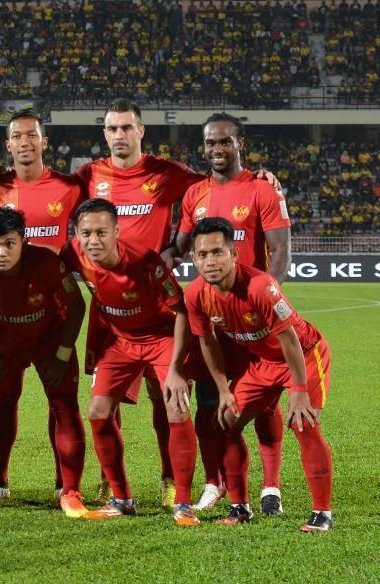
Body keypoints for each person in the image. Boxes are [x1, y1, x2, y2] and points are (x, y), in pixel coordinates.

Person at [75, 99, 284, 511]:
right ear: (104, 133)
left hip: (188, 311)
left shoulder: (172, 175)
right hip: (129, 309)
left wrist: (261, 176)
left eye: (126, 127)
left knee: (190, 399)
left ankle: (251, 485)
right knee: (121, 400)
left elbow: (272, 241)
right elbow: (179, 245)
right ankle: (127, 481)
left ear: (140, 131)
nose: (119, 135)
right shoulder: (91, 176)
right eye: (112, 128)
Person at [166, 112, 292, 514]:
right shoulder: (194, 195)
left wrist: (265, 302)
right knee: (209, 402)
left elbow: (281, 251)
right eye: (210, 142)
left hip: (253, 321)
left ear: (241, 145)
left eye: (225, 141)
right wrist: (148, 264)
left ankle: (271, 486)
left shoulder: (262, 190)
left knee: (264, 404)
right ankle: (214, 481)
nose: (217, 149)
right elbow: (180, 247)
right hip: (213, 319)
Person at [0, 207, 95, 519]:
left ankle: (70, 492)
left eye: (9, 244)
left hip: (49, 337)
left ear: (23, 243)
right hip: (3, 336)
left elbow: (77, 305)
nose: (1, 252)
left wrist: (62, 354)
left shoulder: (47, 261)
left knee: (65, 406)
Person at [185, 217, 332, 532]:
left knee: (303, 423)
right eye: (202, 254)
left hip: (304, 355)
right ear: (193, 258)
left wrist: (299, 390)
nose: (210, 261)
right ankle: (240, 507)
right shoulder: (196, 294)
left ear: (233, 253)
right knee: (226, 421)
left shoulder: (261, 286)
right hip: (264, 362)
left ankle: (322, 514)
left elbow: (290, 339)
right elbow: (207, 342)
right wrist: (223, 390)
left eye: (217, 252)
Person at [61, 199, 200, 527]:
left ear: (117, 231)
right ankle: (122, 499)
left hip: (161, 338)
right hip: (120, 341)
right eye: (85, 233)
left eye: (101, 232)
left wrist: (177, 368)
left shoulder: (145, 261)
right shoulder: (73, 252)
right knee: (97, 411)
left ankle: (183, 503)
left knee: (176, 409)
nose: (93, 240)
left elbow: (182, 310)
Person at [0, 109, 84, 504]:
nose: (25, 142)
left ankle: (64, 485)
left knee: (62, 404)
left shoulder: (69, 187)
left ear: (44, 141)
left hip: (54, 316)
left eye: (32, 135)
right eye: (17, 136)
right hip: (7, 318)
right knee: (5, 399)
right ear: (8, 144)